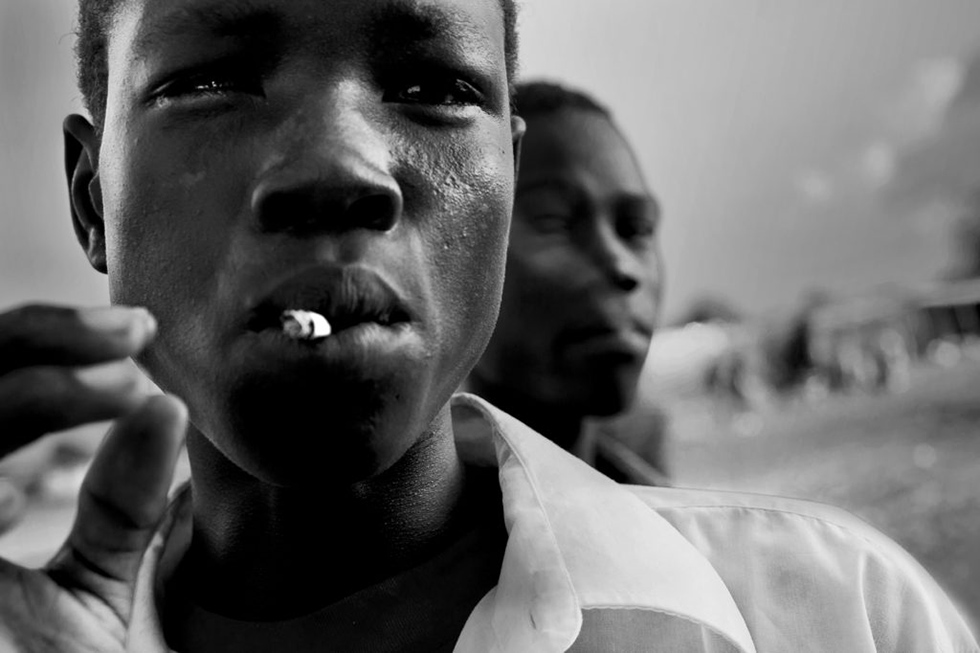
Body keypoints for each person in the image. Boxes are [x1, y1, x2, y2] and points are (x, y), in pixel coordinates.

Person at [0, 0, 975, 651]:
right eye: (208, 83)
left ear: (504, 185)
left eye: (433, 88)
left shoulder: (840, 613)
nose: (338, 169)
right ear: (92, 197)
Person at [469, 81, 670, 485]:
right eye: (553, 221)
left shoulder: (667, 524)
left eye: (635, 228)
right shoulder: (403, 536)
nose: (621, 266)